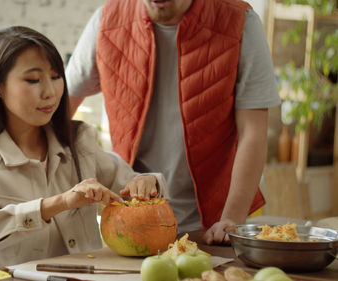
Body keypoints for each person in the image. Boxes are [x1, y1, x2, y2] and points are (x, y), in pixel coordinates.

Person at [0, 26, 165, 280]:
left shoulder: (77, 142)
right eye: (33, 80)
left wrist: (146, 183)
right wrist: (56, 204)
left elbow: (128, 186)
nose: (50, 92)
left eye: (55, 76)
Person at [66, 0, 281, 244]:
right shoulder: (106, 21)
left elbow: (253, 131)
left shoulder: (240, 21)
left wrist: (231, 219)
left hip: (215, 224)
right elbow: (57, 116)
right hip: (131, 221)